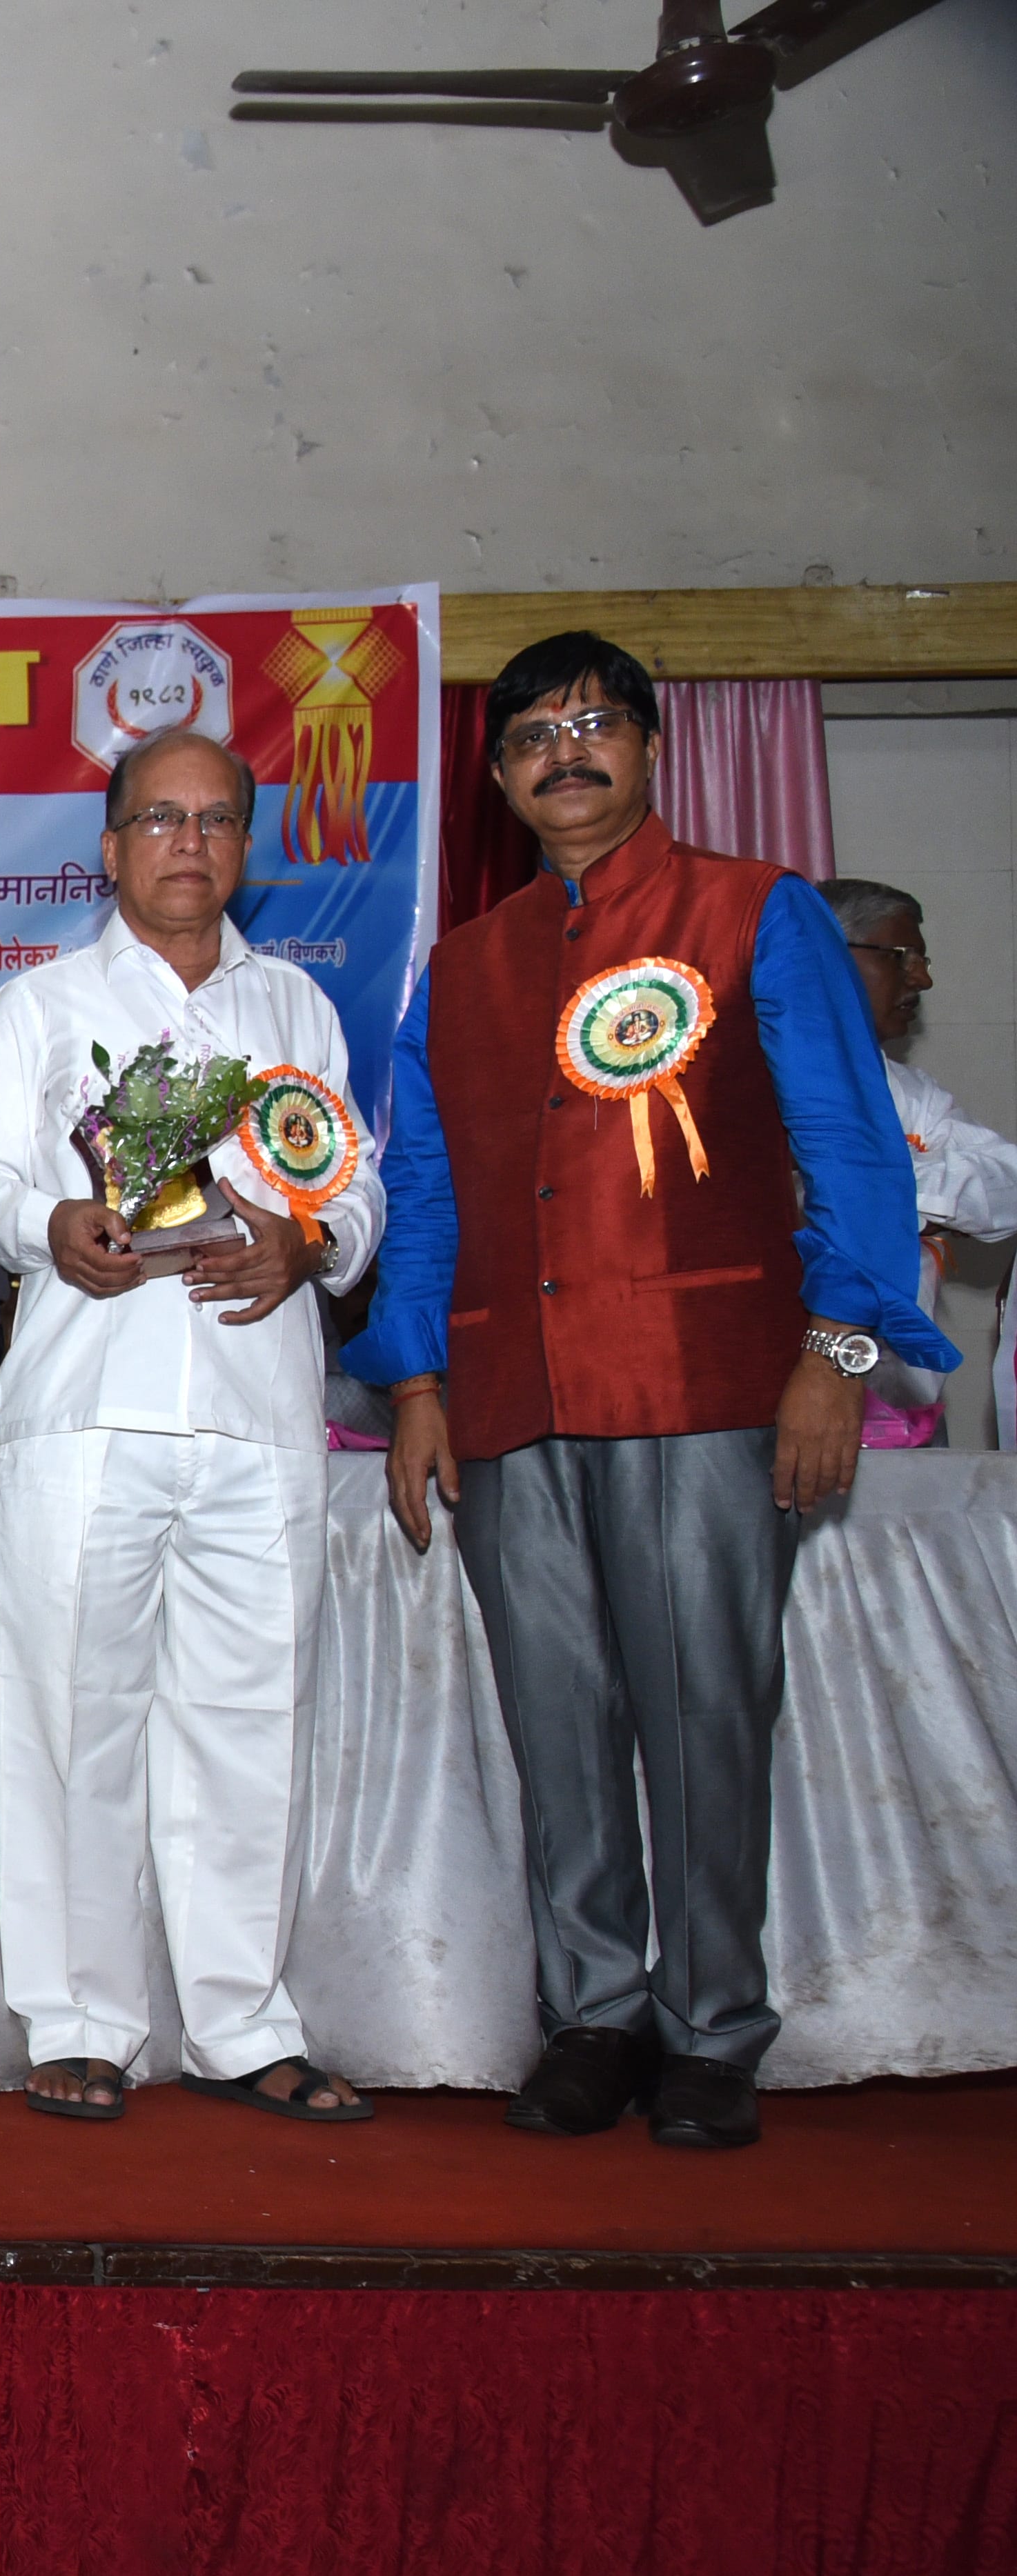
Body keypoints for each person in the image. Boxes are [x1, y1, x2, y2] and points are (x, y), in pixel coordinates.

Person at [355, 632, 954, 2153]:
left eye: (593, 724)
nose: (564, 752)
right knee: (554, 1722)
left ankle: (712, 2028)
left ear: (648, 747)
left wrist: (835, 1358)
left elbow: (851, 1150)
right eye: (531, 736)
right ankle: (595, 2015)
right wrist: (414, 1376)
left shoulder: (754, 910)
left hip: (700, 1383)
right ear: (499, 781)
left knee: (702, 1712)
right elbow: (426, 1190)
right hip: (509, 1396)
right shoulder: (463, 966)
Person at [0, 728, 381, 2125]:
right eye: (158, 819)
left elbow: (355, 1183)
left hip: (259, 1409)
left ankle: (242, 2023)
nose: (186, 844)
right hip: (87, 1408)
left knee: (251, 1721)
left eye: (213, 820)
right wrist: (47, 1224)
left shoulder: (294, 1009)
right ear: (109, 845)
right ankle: (79, 2021)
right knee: (69, 1719)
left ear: (245, 845)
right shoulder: (42, 1002)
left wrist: (310, 1242)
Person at [827, 879, 1017, 1440]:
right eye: (901, 956)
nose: (922, 978)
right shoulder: (745, 1084)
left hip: (906, 1410)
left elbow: (1008, 1182)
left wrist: (894, 1197)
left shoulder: (912, 1093)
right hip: (774, 1409)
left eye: (922, 959)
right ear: (825, 955)